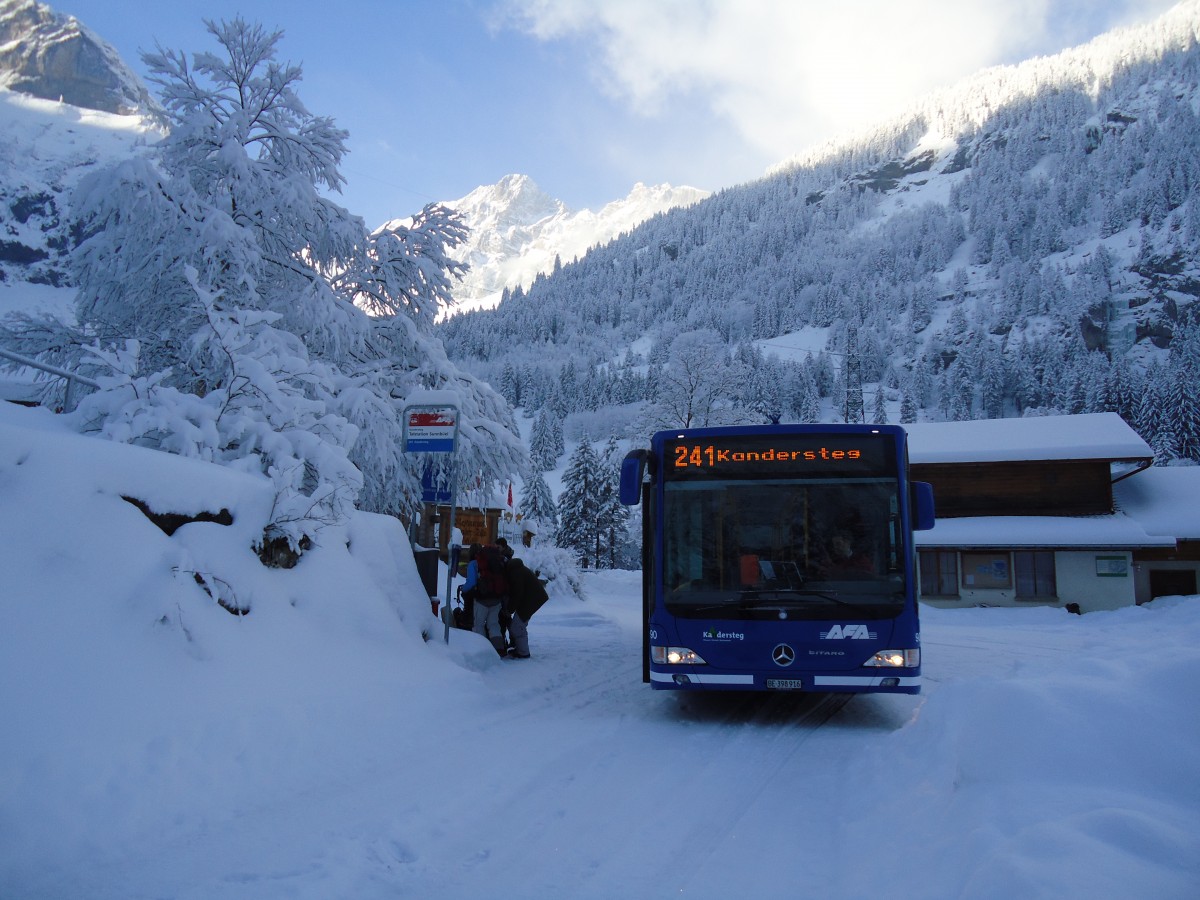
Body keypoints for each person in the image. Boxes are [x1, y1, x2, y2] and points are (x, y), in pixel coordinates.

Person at [504, 557, 549, 659]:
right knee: (519, 624)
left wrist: (509, 610)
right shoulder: (519, 569)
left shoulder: (516, 572)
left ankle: (523, 653)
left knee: (517, 626)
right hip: (533, 599)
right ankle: (521, 649)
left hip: (532, 600)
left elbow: (517, 593)